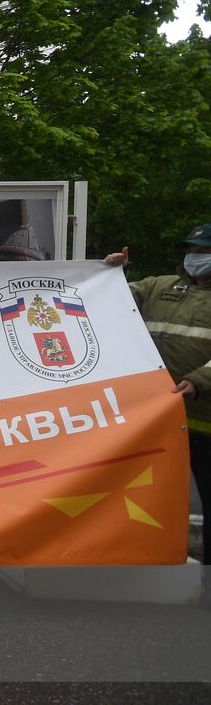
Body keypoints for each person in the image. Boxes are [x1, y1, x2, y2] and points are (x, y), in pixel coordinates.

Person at [106, 223, 211, 543]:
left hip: (204, 422)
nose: (194, 256)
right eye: (191, 250)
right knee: (145, 500)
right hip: (158, 421)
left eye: (203, 251)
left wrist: (199, 380)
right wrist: (111, 274)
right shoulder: (158, 286)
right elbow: (108, 298)